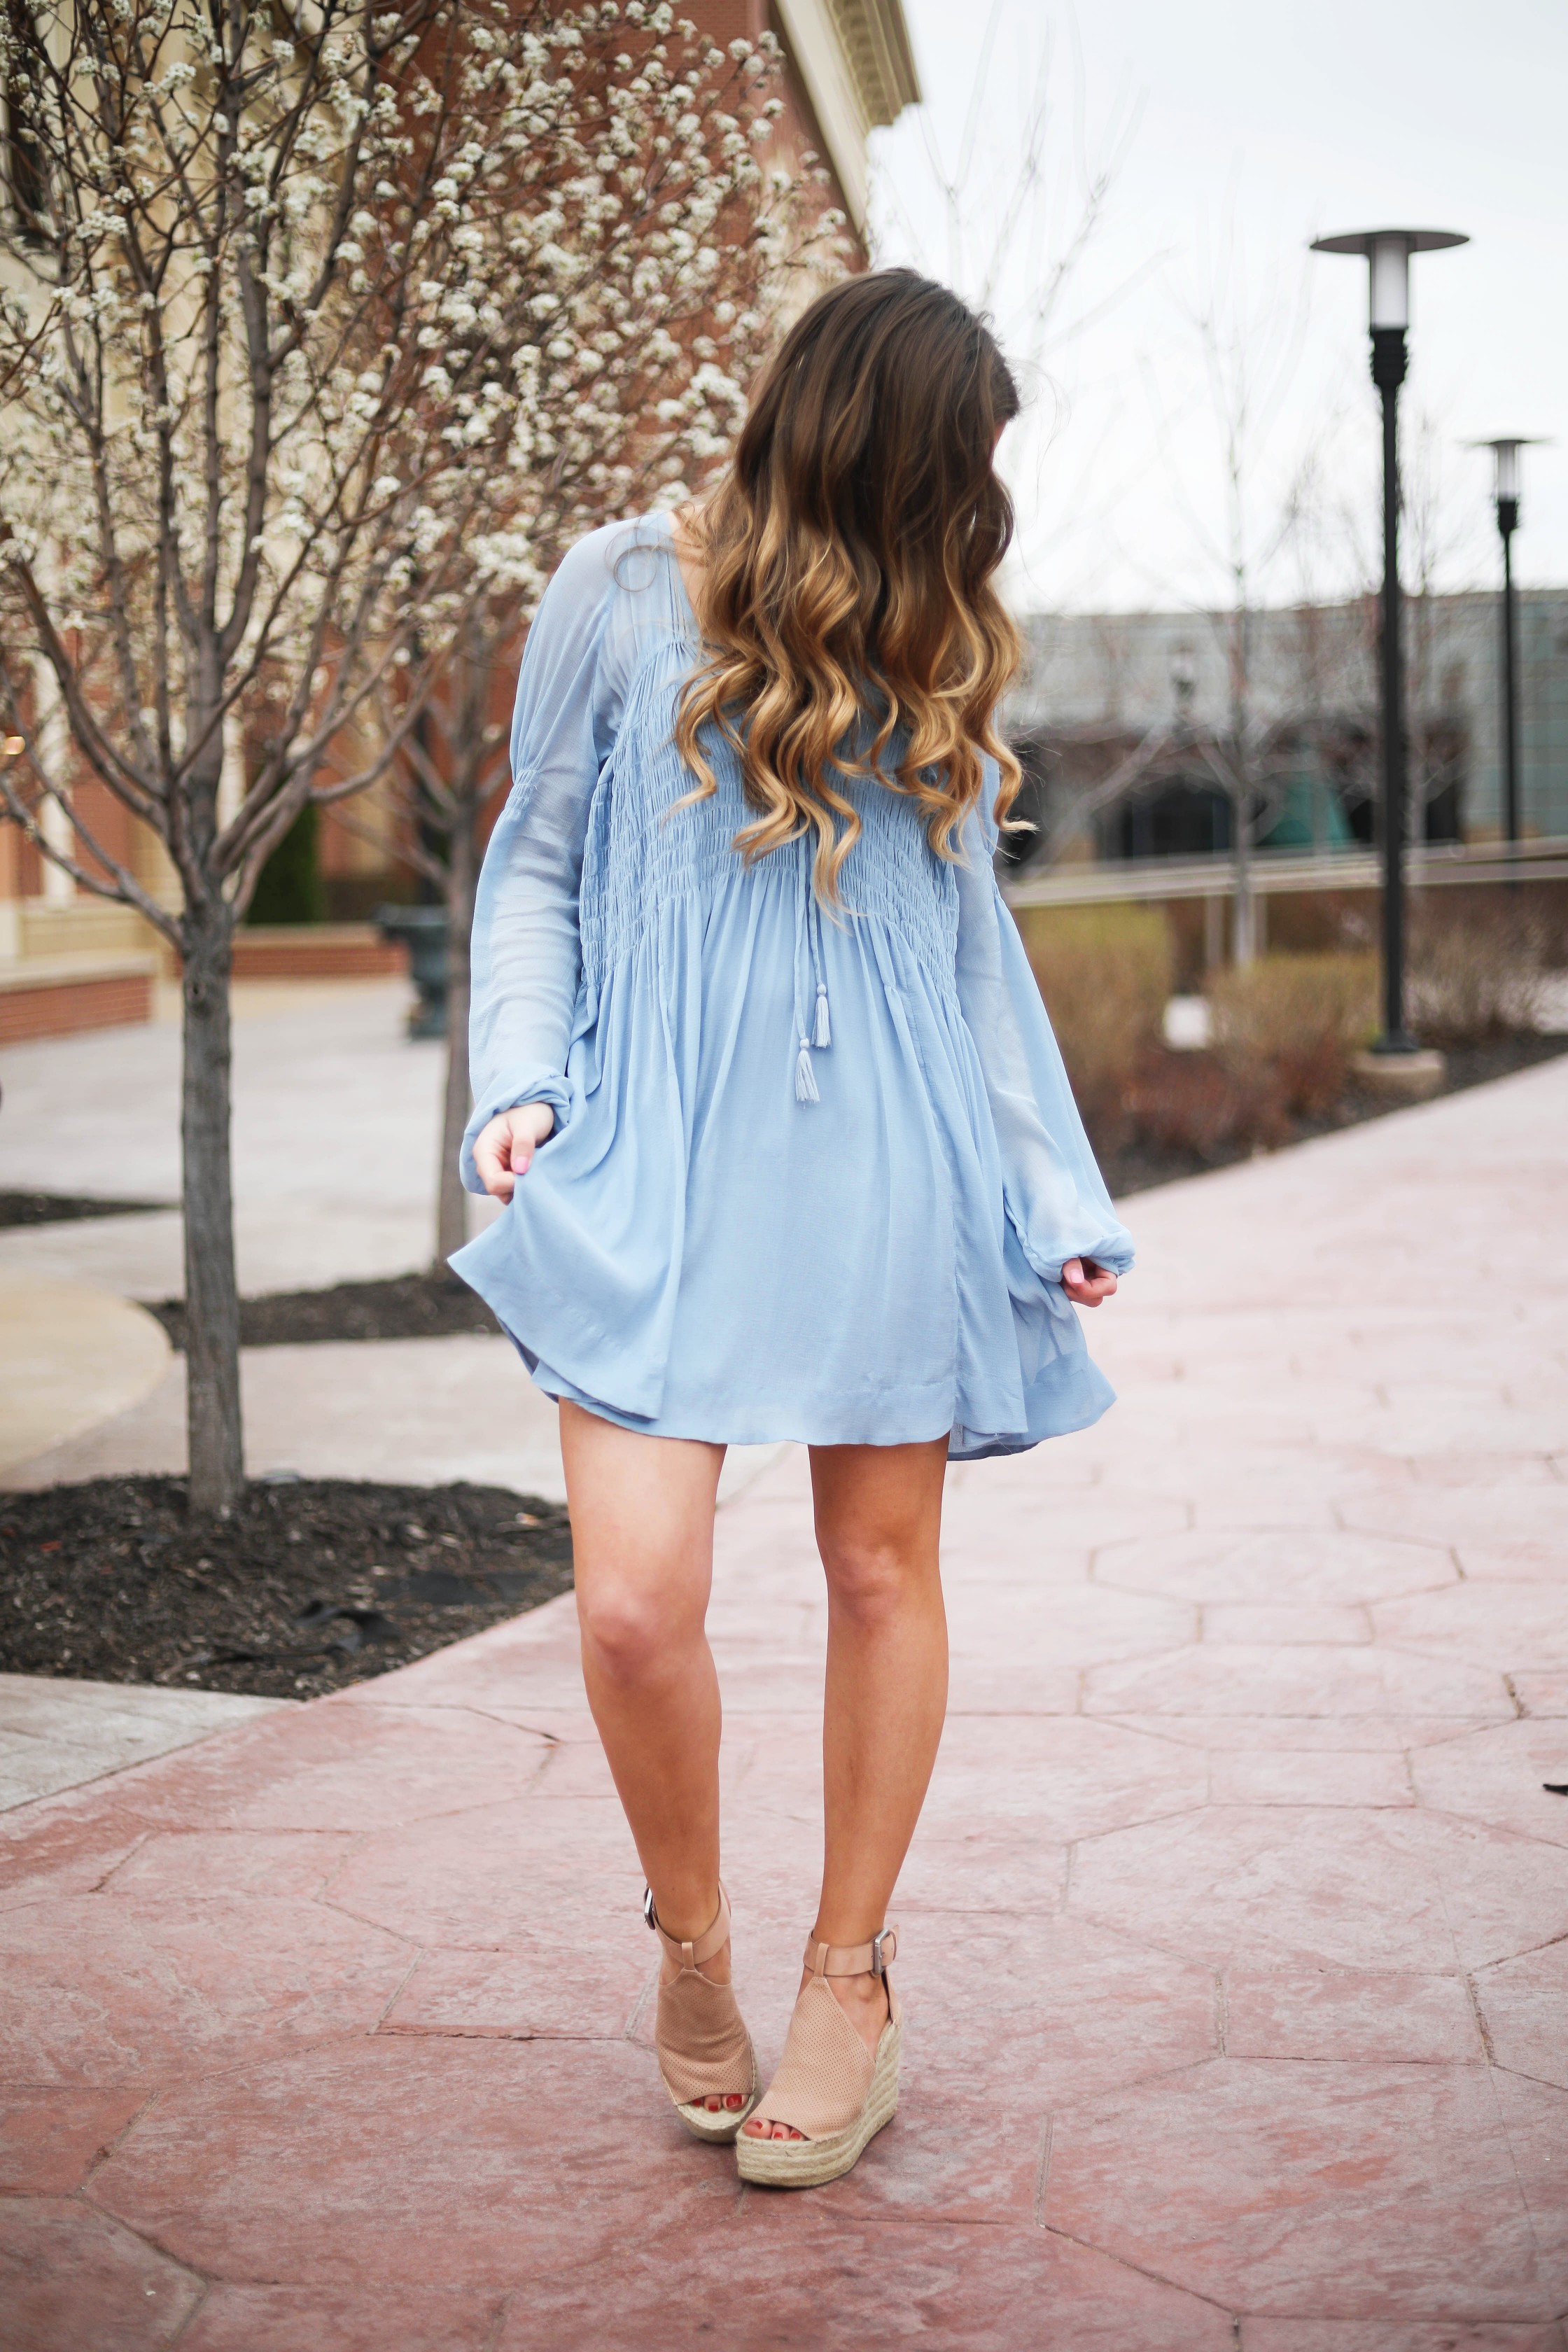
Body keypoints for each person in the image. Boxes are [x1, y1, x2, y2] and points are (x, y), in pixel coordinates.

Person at [452, 269, 1131, 2188]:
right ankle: (693, 1946)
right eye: (956, 472)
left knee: (875, 1575)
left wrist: (1048, 1188)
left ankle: (852, 1982)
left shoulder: (928, 643)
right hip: (647, 1150)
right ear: (872, 444)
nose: (974, 517)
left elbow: (964, 949)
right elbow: (539, 866)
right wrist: (521, 1081)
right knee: (634, 1603)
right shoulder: (613, 592)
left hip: (882, 1160)